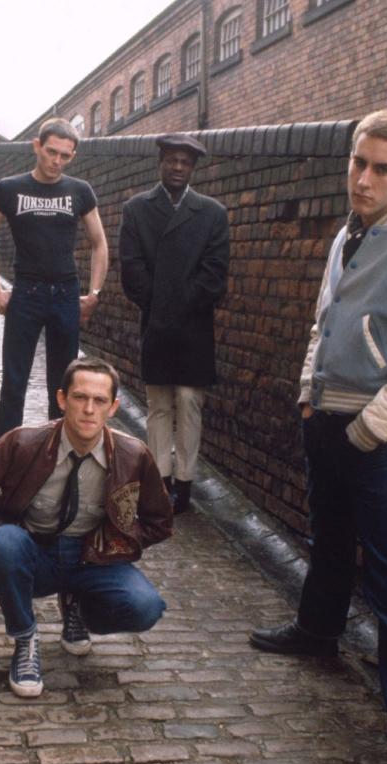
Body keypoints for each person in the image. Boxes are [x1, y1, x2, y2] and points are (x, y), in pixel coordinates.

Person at [248, 110, 387, 764]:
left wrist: (365, 431)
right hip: (327, 417)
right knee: (329, 540)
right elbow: (326, 317)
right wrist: (310, 395)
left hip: (380, 437)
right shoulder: (349, 235)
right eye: (357, 163)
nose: (363, 179)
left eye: (381, 169)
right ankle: (317, 632)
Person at [0, 357, 173, 698]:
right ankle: (26, 639)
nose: (88, 409)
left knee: (146, 607)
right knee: (5, 542)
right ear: (61, 400)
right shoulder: (22, 443)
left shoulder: (133, 454)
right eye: (79, 398)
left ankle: (78, 609)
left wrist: (117, 543)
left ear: (113, 407)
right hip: (35, 551)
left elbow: (159, 521)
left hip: (92, 558)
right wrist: (9, 531)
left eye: (99, 401)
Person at [0, 118, 108, 441]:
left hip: (65, 295)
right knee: (14, 383)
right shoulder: (10, 188)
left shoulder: (80, 191)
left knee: (63, 385)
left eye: (65, 155)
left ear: (73, 155)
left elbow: (99, 242)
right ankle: (4, 461)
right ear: (37, 146)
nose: (56, 161)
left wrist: (94, 292)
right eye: (51, 152)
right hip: (26, 294)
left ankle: (57, 459)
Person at [119, 133, 229, 515]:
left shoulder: (212, 214)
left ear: (193, 168)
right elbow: (131, 268)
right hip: (156, 322)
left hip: (194, 326)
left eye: (185, 162)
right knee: (159, 404)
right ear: (160, 163)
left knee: (188, 401)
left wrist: (180, 303)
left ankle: (185, 483)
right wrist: (159, 303)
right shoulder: (136, 210)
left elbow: (215, 274)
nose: (178, 168)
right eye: (172, 160)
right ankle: (160, 482)